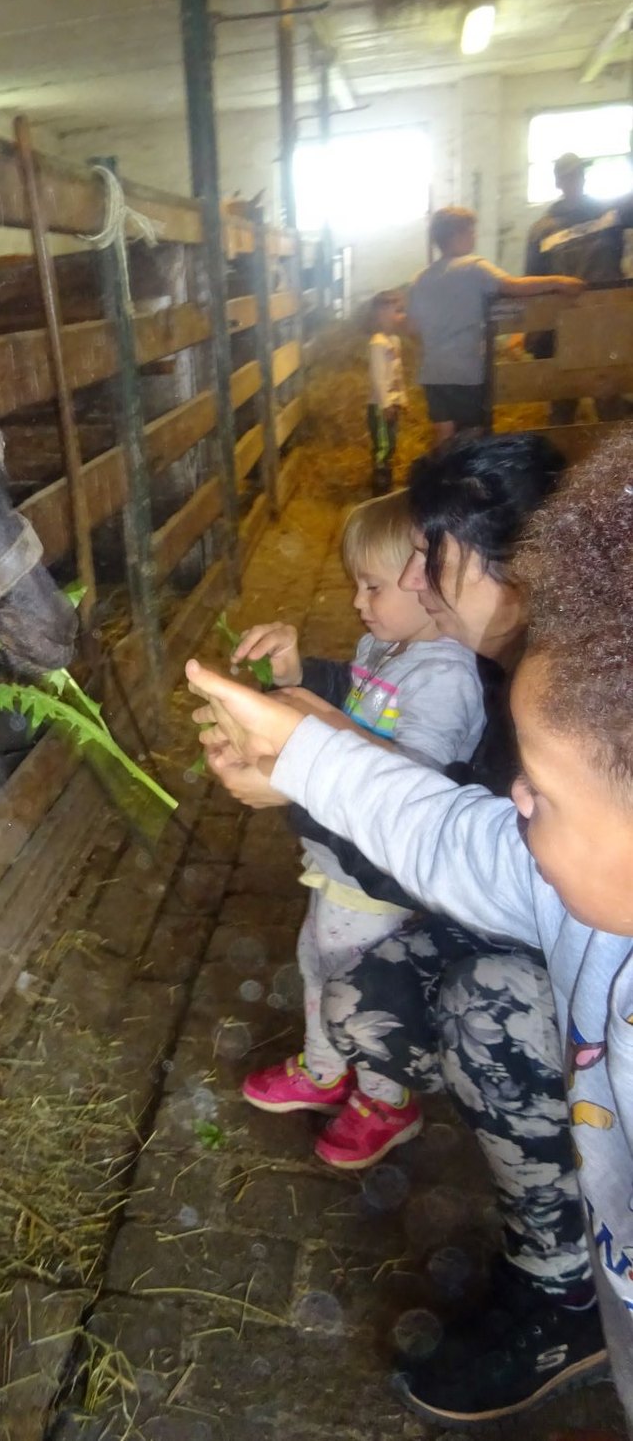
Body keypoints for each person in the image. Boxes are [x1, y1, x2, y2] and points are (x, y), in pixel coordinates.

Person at [188, 427, 633, 1438]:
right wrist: (305, 751)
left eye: (433, 557)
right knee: (371, 993)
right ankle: (566, 1277)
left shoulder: (544, 690)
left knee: (479, 1002)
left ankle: (565, 1290)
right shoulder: (556, 691)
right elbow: (461, 837)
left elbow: (453, 819)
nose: (514, 797)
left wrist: (312, 757)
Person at [237, 491, 484, 1170]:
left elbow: (413, 784)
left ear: (426, 581)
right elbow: (357, 696)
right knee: (317, 957)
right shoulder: (388, 643)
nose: (357, 602)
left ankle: (386, 1099)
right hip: (342, 858)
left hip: (381, 869)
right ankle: (325, 1070)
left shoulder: (446, 677)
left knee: (360, 980)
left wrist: (304, 765)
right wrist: (298, 679)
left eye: (372, 587)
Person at [408, 206, 583, 445]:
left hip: (434, 372)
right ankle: (472, 468)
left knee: (444, 433)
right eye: (471, 232)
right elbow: (513, 286)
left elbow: (413, 327)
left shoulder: (419, 279)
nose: (474, 237)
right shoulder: (473, 266)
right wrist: (558, 282)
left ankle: (445, 469)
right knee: (473, 433)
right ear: (458, 234)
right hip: (466, 370)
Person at [525, 151, 633, 425]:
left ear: (584, 177)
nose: (574, 180)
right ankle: (561, 450)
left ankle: (614, 453)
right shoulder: (542, 229)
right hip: (565, 323)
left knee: (609, 398)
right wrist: (536, 334)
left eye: (578, 174)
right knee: (563, 399)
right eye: (567, 176)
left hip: (606, 320)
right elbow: (534, 279)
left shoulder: (611, 212)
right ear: (558, 182)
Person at [366, 291, 407, 494]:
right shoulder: (378, 343)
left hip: (392, 403)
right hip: (380, 406)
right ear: (382, 314)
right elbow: (378, 377)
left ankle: (386, 478)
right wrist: (385, 404)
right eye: (397, 311)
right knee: (383, 445)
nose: (402, 316)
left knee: (391, 442)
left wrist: (402, 399)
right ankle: (380, 485)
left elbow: (398, 373)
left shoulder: (394, 341)